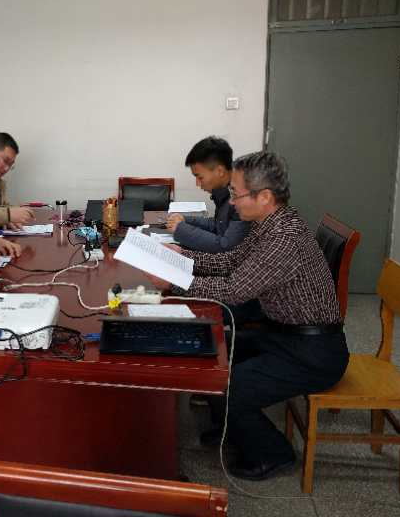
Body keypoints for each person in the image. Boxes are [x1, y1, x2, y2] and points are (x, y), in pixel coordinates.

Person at [148, 152, 348, 481]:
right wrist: (183, 258)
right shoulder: (269, 224)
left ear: (264, 196)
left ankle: (274, 454)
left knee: (229, 385)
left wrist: (176, 280)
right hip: (282, 335)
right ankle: (233, 425)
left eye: (237, 194)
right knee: (211, 352)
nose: (231, 201)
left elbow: (233, 290)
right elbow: (231, 261)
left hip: (312, 353)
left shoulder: (284, 239)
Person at [166, 137, 250, 253]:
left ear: (220, 171)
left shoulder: (241, 197)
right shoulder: (224, 192)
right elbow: (217, 225)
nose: (197, 184)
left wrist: (181, 229)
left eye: (200, 177)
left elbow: (226, 248)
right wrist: (184, 219)